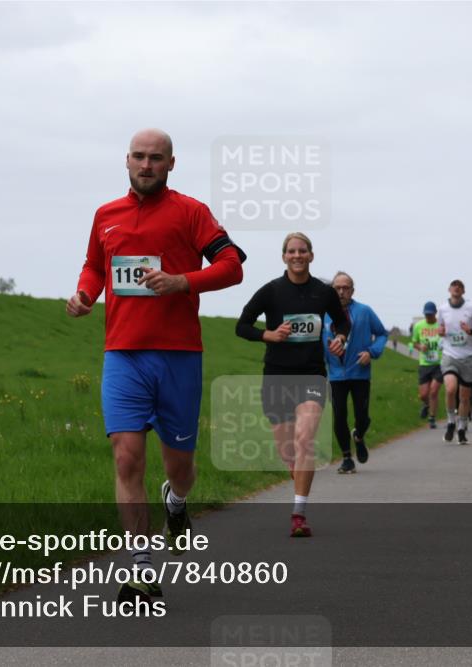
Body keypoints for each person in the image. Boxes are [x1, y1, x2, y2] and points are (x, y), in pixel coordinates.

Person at [67, 129, 245, 605]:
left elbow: (232, 266)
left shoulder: (191, 212)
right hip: (123, 353)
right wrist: (86, 294)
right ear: (126, 160)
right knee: (127, 457)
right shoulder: (106, 215)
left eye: (156, 158)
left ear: (171, 164)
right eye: (139, 157)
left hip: (179, 356)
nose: (146, 165)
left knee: (180, 467)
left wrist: (182, 281)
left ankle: (176, 500)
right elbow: (95, 267)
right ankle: (140, 571)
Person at [236, 232, 349, 536]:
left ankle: (298, 514)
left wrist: (340, 338)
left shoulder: (323, 292)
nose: (297, 256)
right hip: (276, 376)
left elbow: (342, 321)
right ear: (283, 256)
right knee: (288, 451)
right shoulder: (271, 291)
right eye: (291, 251)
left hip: (311, 374)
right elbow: (241, 325)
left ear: (311, 256)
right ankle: (299, 485)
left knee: (304, 440)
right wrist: (267, 335)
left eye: (303, 251)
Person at [323, 272, 388, 473]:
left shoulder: (364, 311)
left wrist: (371, 352)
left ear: (352, 290)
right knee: (339, 416)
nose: (342, 292)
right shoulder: (323, 314)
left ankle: (358, 436)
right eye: (337, 288)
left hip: (360, 372)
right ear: (332, 290)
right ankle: (346, 458)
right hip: (335, 374)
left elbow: (382, 334)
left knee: (363, 417)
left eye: (346, 288)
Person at [437, 280, 472, 445]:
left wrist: (470, 331)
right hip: (450, 355)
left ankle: (462, 428)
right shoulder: (442, 308)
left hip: (468, 357)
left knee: (464, 397)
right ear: (449, 289)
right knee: (450, 389)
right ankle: (451, 421)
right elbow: (440, 330)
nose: (456, 288)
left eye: (460, 286)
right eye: (454, 286)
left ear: (463, 290)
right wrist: (441, 332)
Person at [412, 301, 444, 429]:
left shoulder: (441, 325)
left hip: (439, 363)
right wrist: (420, 346)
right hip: (424, 363)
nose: (428, 317)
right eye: (426, 314)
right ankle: (426, 405)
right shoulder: (418, 326)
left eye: (430, 314)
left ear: (435, 313)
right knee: (423, 395)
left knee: (434, 391)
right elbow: (414, 342)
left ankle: (432, 418)